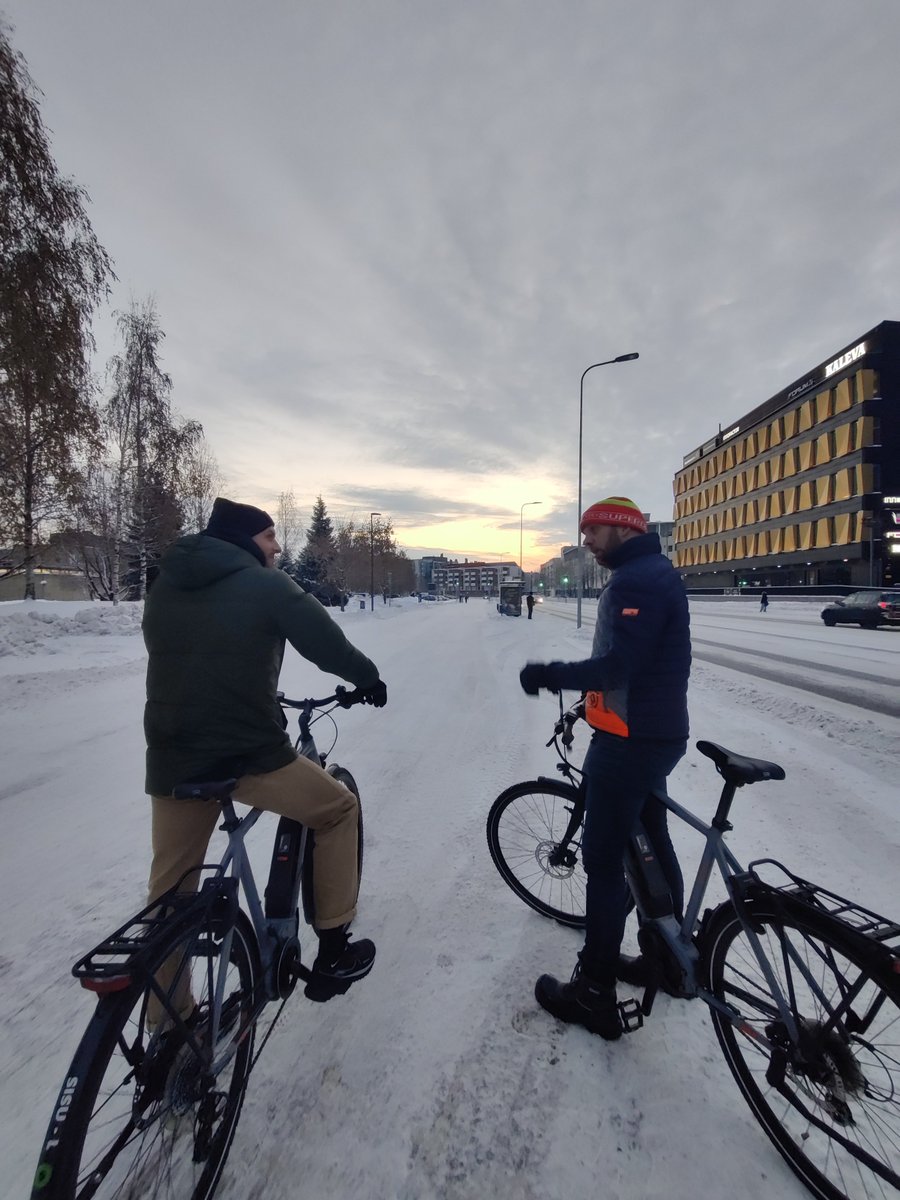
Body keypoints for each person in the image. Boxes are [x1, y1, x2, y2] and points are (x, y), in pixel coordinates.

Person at [143, 497, 386, 1011]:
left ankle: (169, 1033)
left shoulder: (166, 583)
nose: (277, 547)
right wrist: (368, 677)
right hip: (245, 751)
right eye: (270, 536)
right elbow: (326, 645)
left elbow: (192, 654)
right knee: (339, 808)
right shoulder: (266, 583)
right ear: (244, 539)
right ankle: (334, 953)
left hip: (172, 757)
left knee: (171, 897)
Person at [519, 497, 691, 1040]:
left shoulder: (637, 581)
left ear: (621, 530)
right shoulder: (651, 571)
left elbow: (623, 664)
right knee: (652, 844)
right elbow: (634, 668)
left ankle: (592, 991)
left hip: (629, 741)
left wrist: (552, 674)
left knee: (603, 861)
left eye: (592, 530)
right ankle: (664, 956)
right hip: (651, 732)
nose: (586, 540)